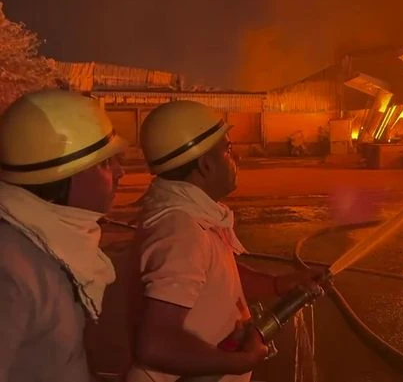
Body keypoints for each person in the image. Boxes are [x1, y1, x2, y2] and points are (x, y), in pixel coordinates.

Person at [126, 100, 321, 382]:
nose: (236, 158)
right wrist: (237, 362)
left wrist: (279, 284)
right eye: (228, 150)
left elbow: (212, 276)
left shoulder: (193, 217)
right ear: (205, 164)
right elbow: (156, 343)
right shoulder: (182, 230)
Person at [0, 89, 127, 381]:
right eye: (106, 163)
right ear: (63, 174)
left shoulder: (47, 245)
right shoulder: (12, 268)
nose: (121, 173)